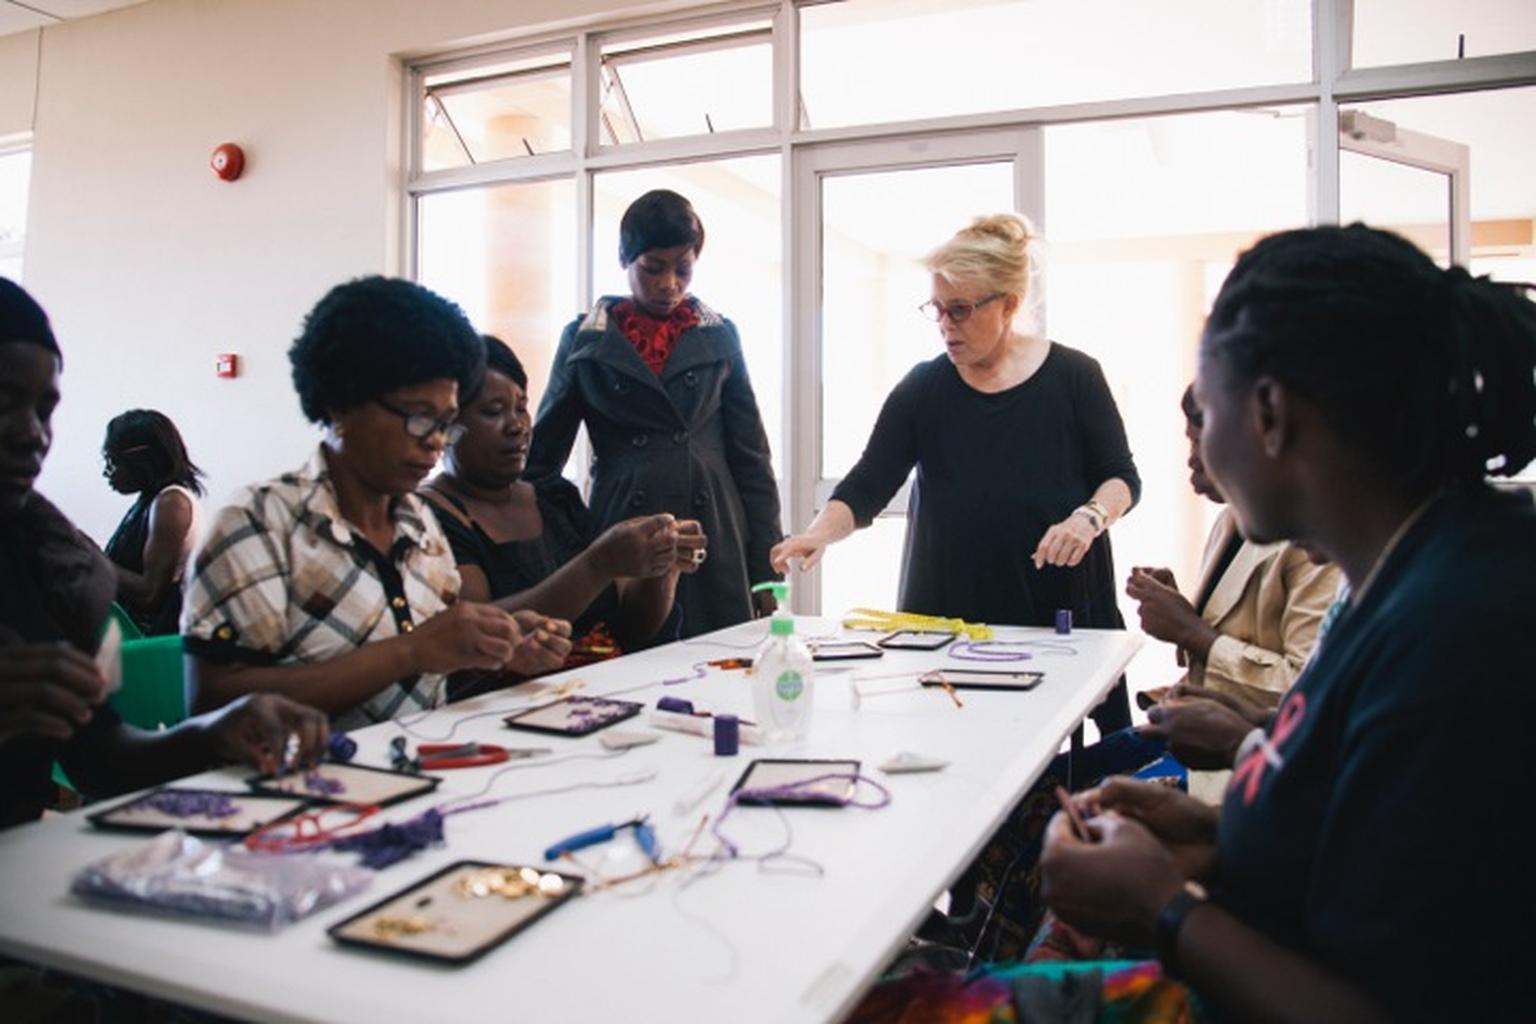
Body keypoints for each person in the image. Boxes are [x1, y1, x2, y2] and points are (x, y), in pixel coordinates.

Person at [1029, 225, 1536, 1022]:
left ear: (1267, 412)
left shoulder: (1457, 636)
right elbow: (1364, 847)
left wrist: (1163, 908)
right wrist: (1209, 831)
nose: (1197, 441)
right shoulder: (1416, 571)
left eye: (1207, 405)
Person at [772, 213, 1140, 731]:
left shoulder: (1076, 377)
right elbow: (868, 484)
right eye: (938, 310)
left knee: (1087, 771)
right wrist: (817, 534)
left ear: (1008, 305)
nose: (946, 325)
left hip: (1057, 609)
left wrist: (1089, 517)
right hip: (949, 615)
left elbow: (1121, 477)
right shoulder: (923, 388)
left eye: (961, 310)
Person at [0, 277, 328, 831]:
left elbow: (103, 762)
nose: (33, 434)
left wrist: (212, 732)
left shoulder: (39, 567)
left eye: (45, 408)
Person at [183, 277, 572, 732]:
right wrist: (410, 651)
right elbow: (212, 703)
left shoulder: (421, 525)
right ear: (342, 403)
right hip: (298, 788)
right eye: (417, 417)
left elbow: (429, 676)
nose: (434, 442)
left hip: (418, 776)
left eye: (445, 422)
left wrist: (497, 652)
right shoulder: (259, 524)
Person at [525, 189, 783, 638]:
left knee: (720, 664)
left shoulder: (720, 334)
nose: (669, 284)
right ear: (626, 260)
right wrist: (563, 556)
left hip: (713, 533)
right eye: (653, 268)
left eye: (683, 268)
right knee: (625, 664)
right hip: (626, 527)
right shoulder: (585, 339)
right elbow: (542, 462)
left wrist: (766, 567)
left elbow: (752, 457)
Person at [422, 335, 705, 682]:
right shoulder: (430, 518)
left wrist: (662, 563)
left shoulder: (554, 498)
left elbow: (632, 629)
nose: (518, 426)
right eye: (493, 411)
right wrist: (596, 565)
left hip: (602, 697)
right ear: (447, 422)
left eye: (521, 407)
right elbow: (477, 639)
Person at [1127, 385, 1339, 711]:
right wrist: (1179, 610)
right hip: (1200, 717)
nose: (1192, 459)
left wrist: (1189, 629)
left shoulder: (1313, 548)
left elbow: (1303, 688)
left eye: (1200, 443)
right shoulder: (1229, 520)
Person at [101, 409, 205, 636]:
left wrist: (94, 560)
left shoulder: (171, 503)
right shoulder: (151, 500)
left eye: (113, 461)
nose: (107, 472)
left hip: (148, 639)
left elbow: (150, 594)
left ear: (141, 460)